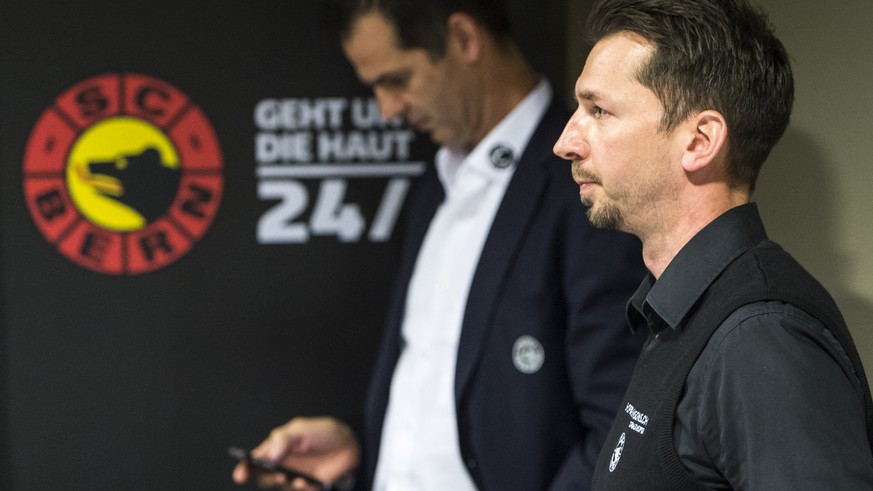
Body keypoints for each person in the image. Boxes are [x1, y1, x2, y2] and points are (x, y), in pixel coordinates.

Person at [233, 0, 647, 490]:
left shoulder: (587, 187)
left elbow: (621, 428)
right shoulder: (432, 189)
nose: (387, 110)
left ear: (464, 39)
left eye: (396, 80)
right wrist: (367, 450)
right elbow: (446, 399)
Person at [553, 0, 873, 489]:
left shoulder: (761, 339)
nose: (566, 142)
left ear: (700, 141)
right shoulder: (687, 312)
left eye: (599, 111)